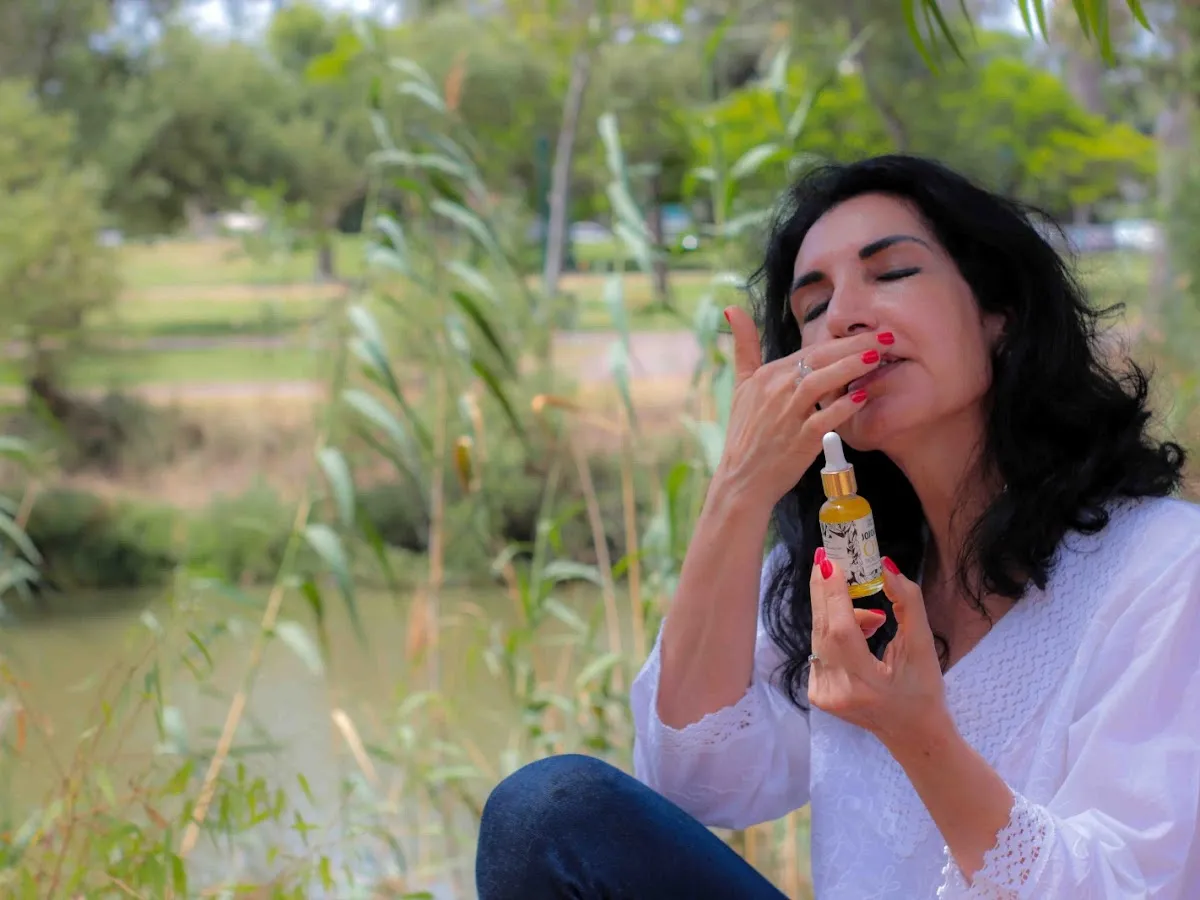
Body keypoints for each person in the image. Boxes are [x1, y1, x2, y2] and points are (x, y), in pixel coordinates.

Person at [473, 154, 1200, 898]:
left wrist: (917, 733)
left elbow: (1129, 884)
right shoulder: (844, 566)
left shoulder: (1162, 565)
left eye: (892, 272)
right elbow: (696, 782)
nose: (846, 316)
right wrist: (739, 489)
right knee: (549, 815)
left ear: (999, 313)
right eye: (814, 307)